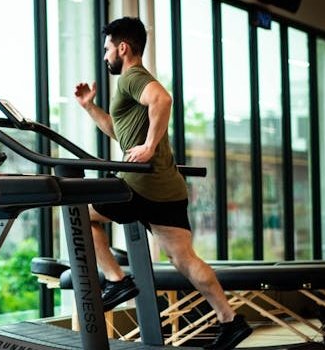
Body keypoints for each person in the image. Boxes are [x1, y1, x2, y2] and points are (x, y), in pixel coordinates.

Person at [74, 17, 252, 350]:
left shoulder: (133, 77)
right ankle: (230, 320)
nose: (105, 56)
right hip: (167, 188)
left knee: (81, 214)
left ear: (122, 48)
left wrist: (150, 147)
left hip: (140, 184)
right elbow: (120, 132)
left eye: (107, 49)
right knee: (185, 260)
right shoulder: (133, 84)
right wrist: (89, 107)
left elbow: (163, 100)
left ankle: (116, 280)